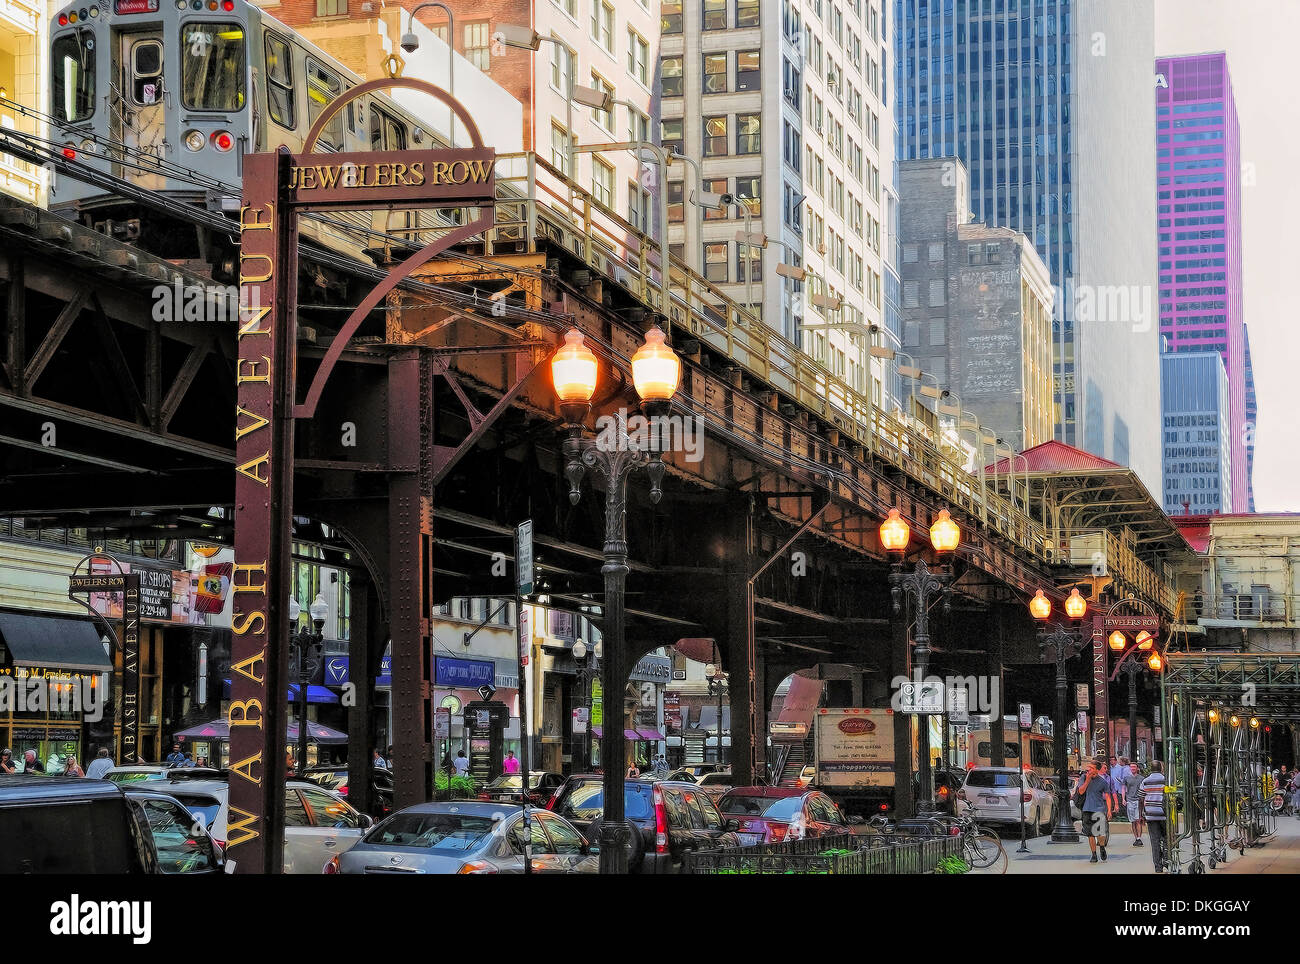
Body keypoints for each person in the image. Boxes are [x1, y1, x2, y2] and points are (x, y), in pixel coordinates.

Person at [1077, 759, 1114, 863]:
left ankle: (1102, 847)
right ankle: (1093, 854)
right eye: (1089, 767)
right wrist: (1088, 779)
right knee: (1090, 834)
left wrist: (1109, 811)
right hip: (1086, 808)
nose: (1089, 769)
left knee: (1100, 833)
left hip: (1099, 809)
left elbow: (1107, 796)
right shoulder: (1084, 778)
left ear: (1097, 770)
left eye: (1092, 768)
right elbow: (1081, 791)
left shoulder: (1103, 782)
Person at [1140, 761, 1168, 873]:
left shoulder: (1145, 781)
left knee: (1154, 841)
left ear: (1150, 769)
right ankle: (1166, 860)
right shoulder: (1165, 780)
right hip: (1164, 814)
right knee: (1167, 838)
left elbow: (1141, 799)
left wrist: (1141, 814)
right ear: (1161, 768)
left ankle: (1158, 866)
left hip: (1151, 814)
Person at [1122, 762, 1145, 846]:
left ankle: (1139, 838)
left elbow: (1144, 789)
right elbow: (1123, 788)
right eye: (1131, 767)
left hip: (1138, 801)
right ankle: (1136, 838)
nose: (1132, 769)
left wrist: (1144, 800)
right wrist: (1123, 799)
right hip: (1129, 800)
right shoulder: (1126, 778)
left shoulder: (1141, 778)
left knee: (1138, 820)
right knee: (1133, 821)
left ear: (1137, 768)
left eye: (1134, 767)